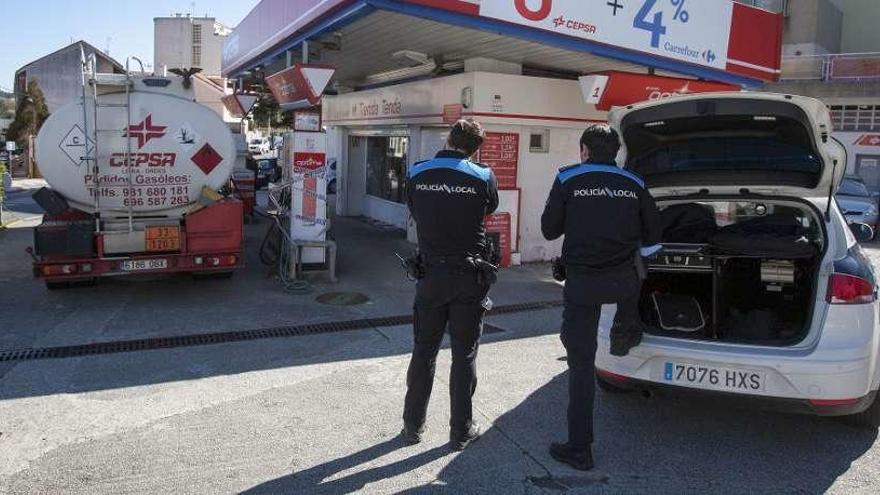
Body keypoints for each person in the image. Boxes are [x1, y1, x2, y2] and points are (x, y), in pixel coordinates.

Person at [541, 124, 661, 470]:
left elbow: (550, 229)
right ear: (617, 152)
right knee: (629, 298)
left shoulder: (568, 178)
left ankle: (580, 448)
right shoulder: (635, 183)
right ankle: (625, 330)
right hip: (624, 283)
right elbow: (653, 242)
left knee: (580, 365)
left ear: (584, 150)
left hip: (582, 284)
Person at [402, 119, 499, 451]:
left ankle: (412, 427)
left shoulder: (418, 172)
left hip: (430, 276)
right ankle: (460, 430)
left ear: (449, 138)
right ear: (476, 148)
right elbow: (489, 208)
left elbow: (413, 207)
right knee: (464, 355)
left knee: (423, 351)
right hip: (468, 278)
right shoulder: (484, 176)